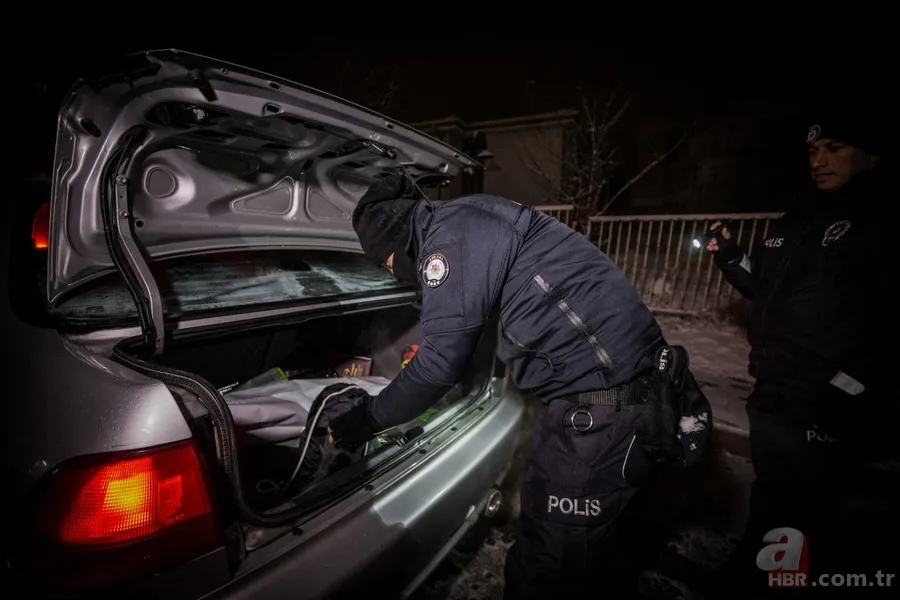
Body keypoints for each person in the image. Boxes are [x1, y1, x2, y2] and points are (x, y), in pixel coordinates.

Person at [310, 172, 712, 598]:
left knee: (549, 568)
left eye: (385, 262)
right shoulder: (467, 215)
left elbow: (437, 366)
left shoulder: (445, 246)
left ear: (396, 241)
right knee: (565, 542)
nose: (391, 272)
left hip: (605, 409)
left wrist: (367, 419)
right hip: (615, 391)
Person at [701, 110, 895, 598]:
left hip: (821, 396)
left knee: (806, 506)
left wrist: (847, 386)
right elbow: (762, 288)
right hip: (773, 386)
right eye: (813, 151)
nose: (820, 160)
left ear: (869, 154)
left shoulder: (880, 220)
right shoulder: (799, 215)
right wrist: (729, 255)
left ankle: (779, 580)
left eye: (834, 148)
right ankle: (755, 571)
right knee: (773, 492)